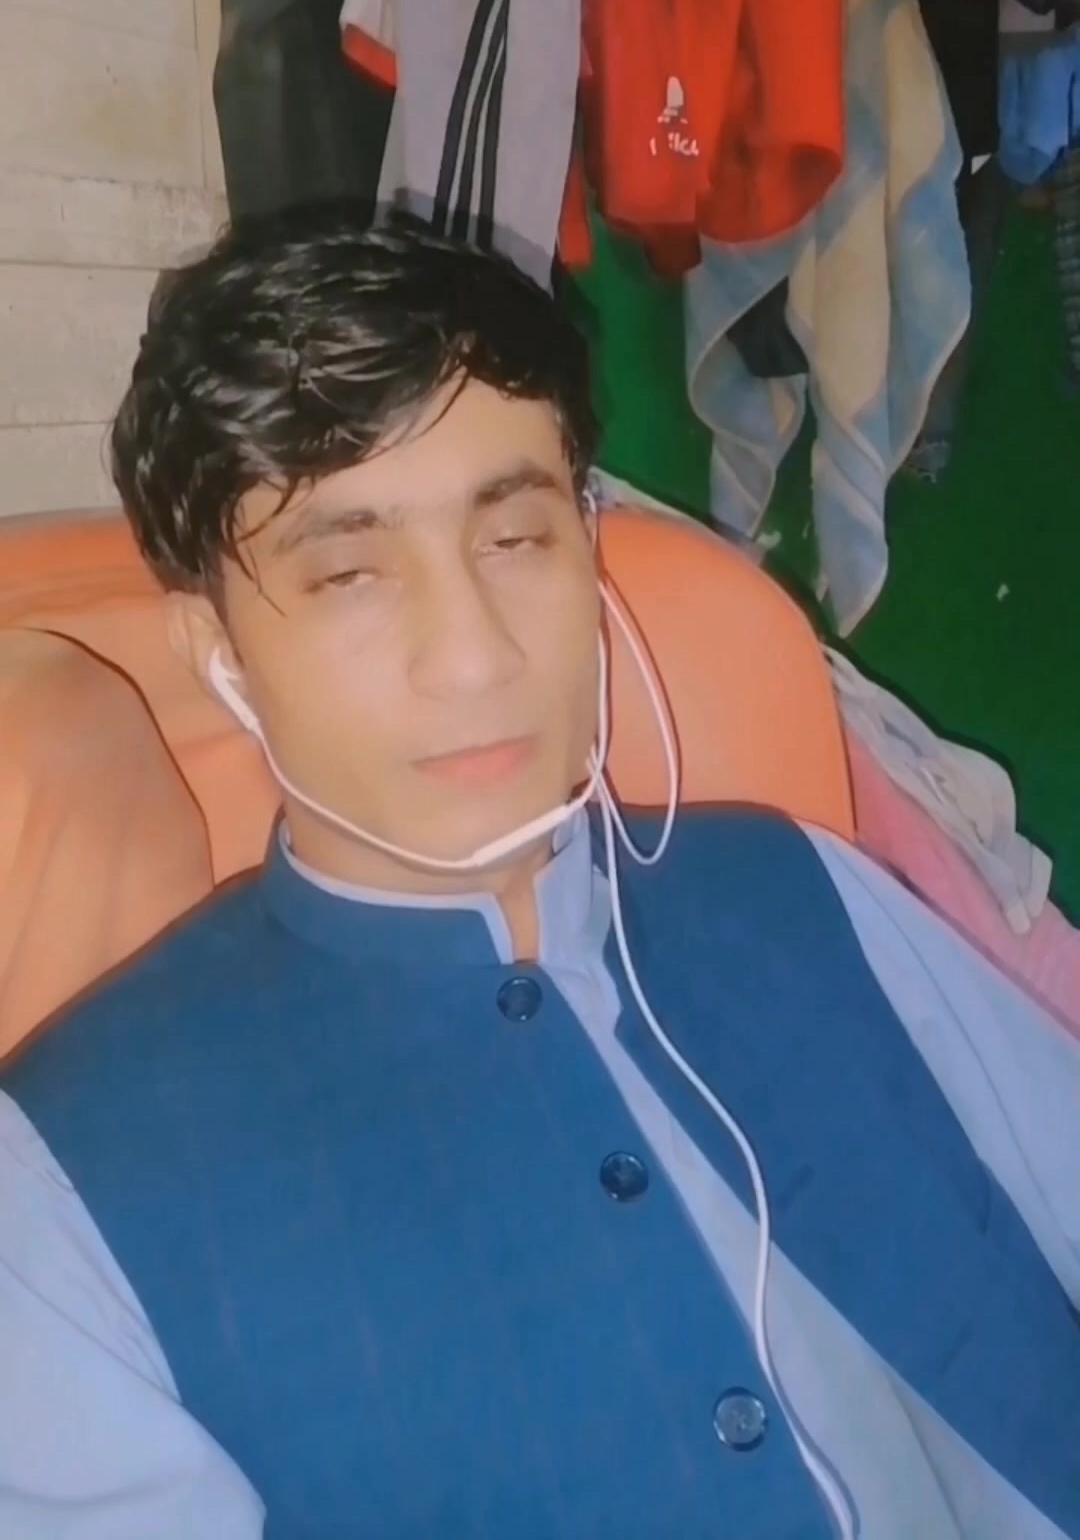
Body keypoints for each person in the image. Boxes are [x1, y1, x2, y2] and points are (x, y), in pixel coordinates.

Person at [1, 209, 1078, 1540]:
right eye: (348, 575)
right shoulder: (60, 1189)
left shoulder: (800, 886)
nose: (475, 657)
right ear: (218, 652)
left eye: (515, 541)